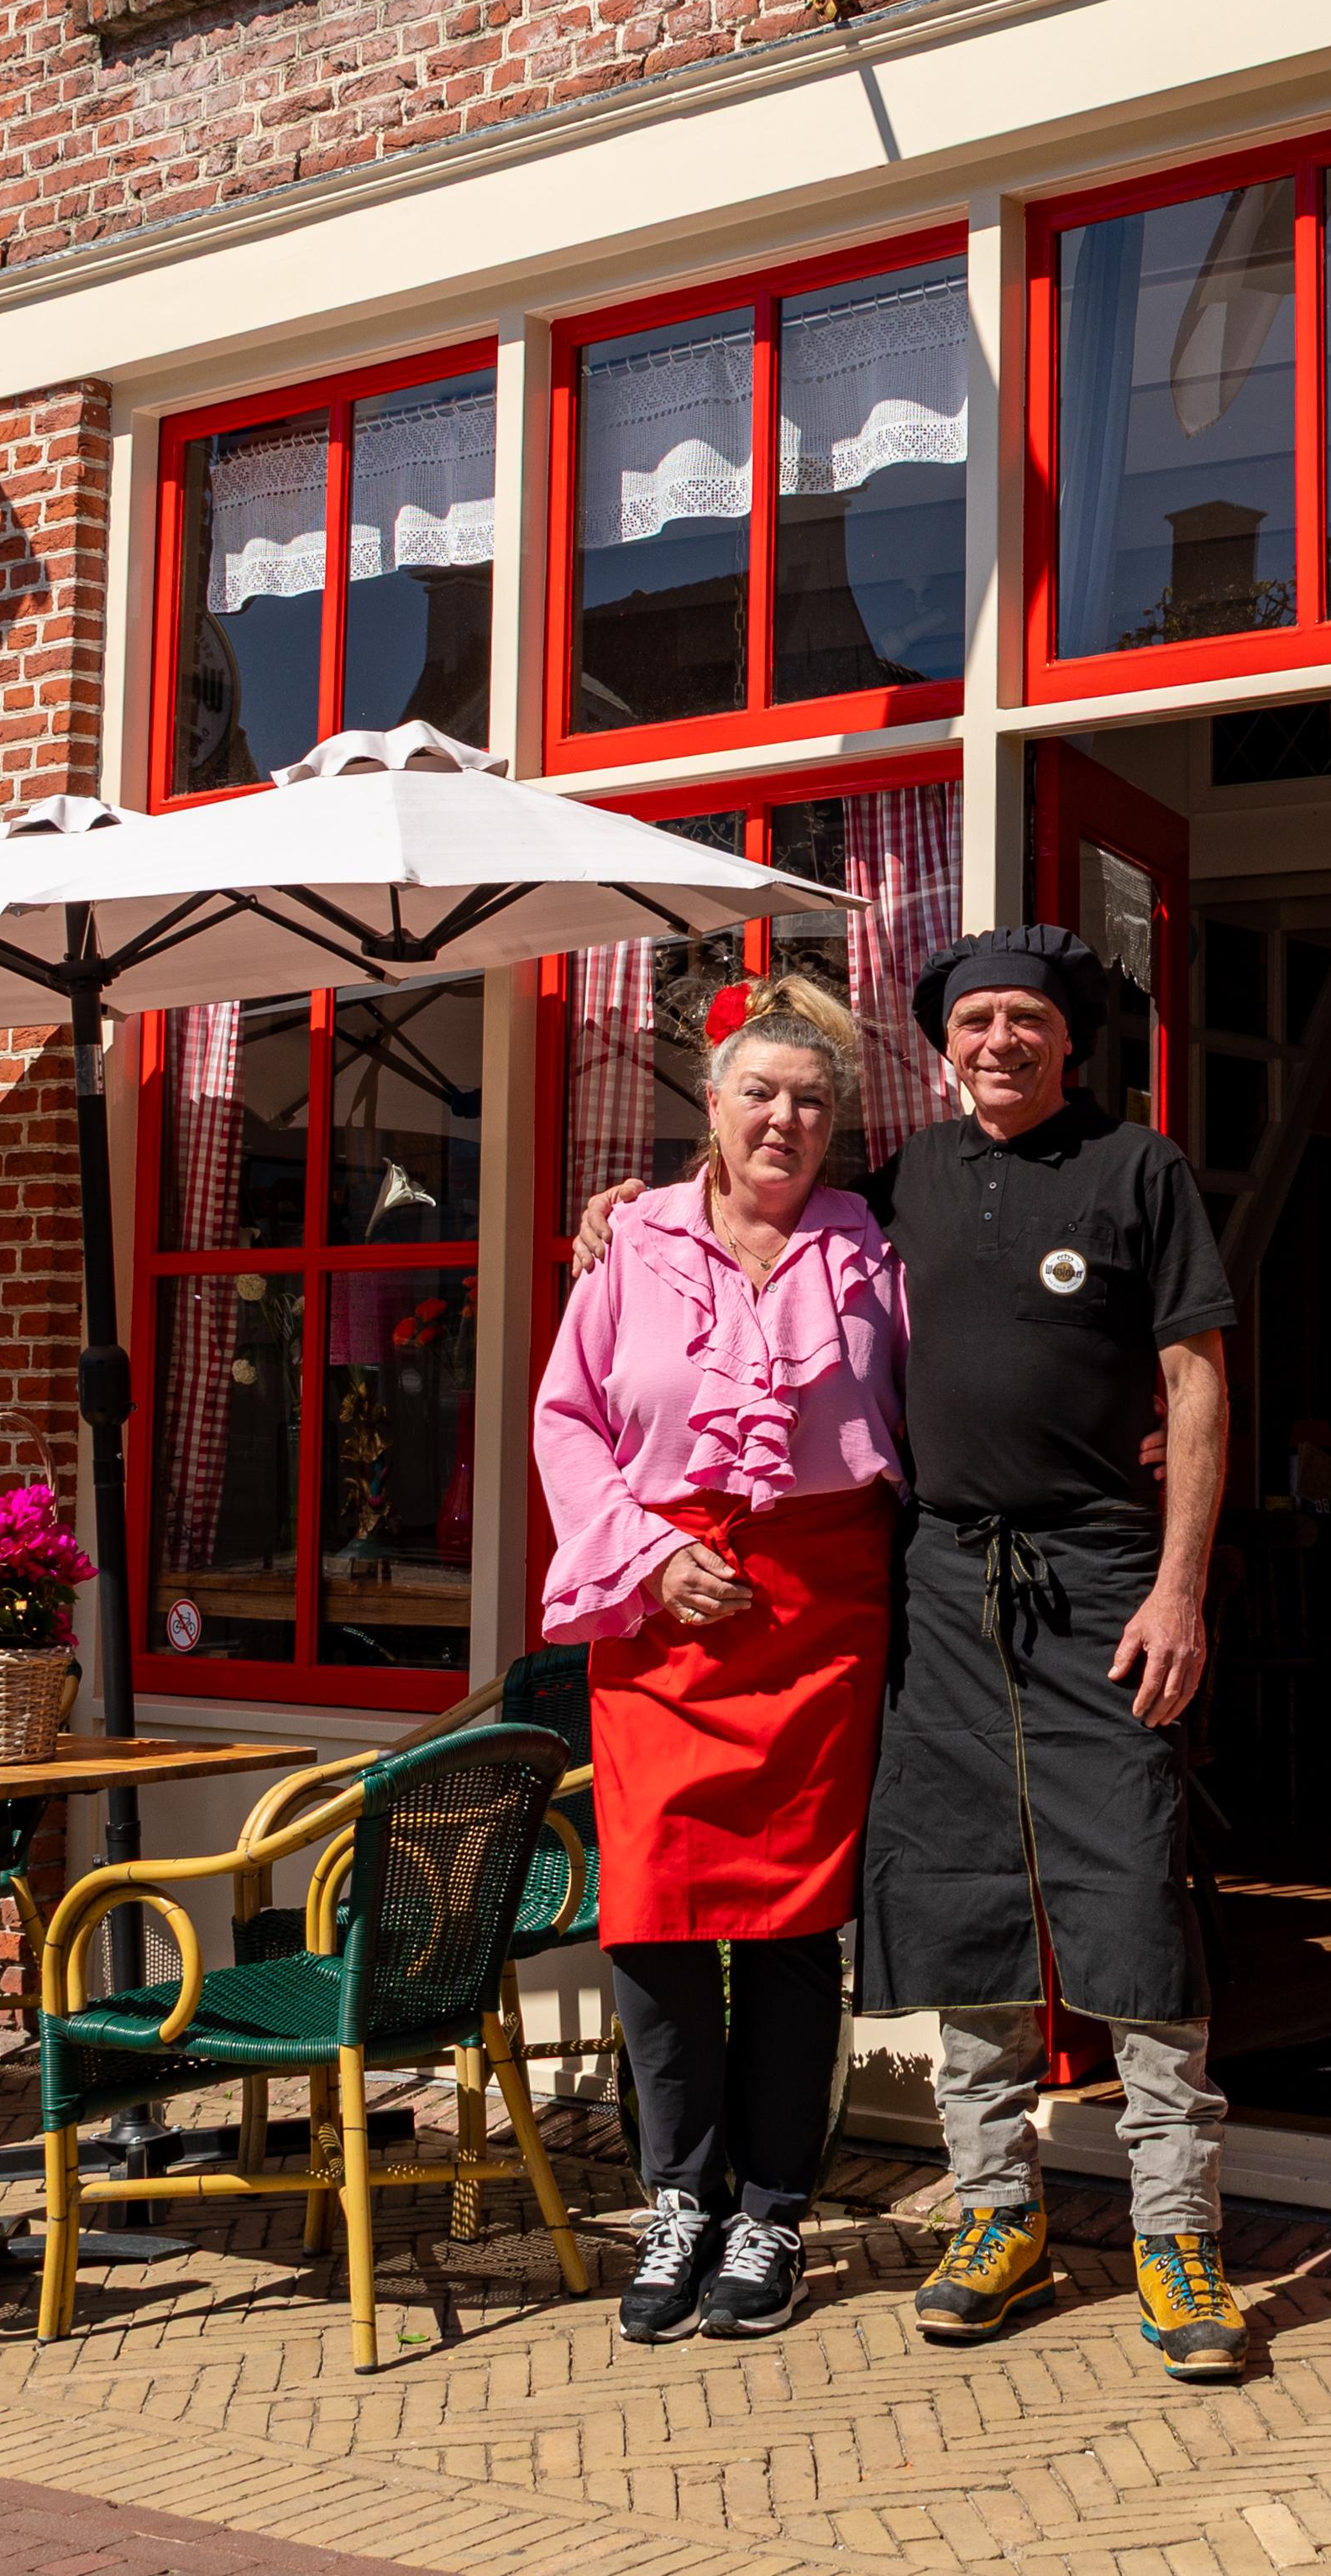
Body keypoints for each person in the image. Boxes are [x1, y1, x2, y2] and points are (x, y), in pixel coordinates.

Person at [579, 923, 1246, 2381]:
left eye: (1028, 1020)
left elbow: (1196, 1383)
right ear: (941, 1049)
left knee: (1130, 1886)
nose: (1000, 1041)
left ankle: (1174, 2234)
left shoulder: (1142, 1171)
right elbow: (753, 1213)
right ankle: (995, 2212)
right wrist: (622, 1212)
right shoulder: (893, 1192)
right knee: (965, 1895)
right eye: (973, 1022)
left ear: (1071, 1040)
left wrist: (1180, 1584)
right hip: (937, 1575)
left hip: (1102, 1580)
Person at [531, 976, 906, 2343]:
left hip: (820, 1621)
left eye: (811, 1100)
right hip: (662, 1612)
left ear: (835, 1125)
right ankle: (678, 2198)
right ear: (711, 1101)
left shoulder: (878, 1249)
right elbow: (565, 1419)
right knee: (655, 1916)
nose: (785, 1118)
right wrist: (638, 1552)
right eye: (760, 1090)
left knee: (798, 1930)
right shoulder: (626, 1244)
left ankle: (772, 2212)